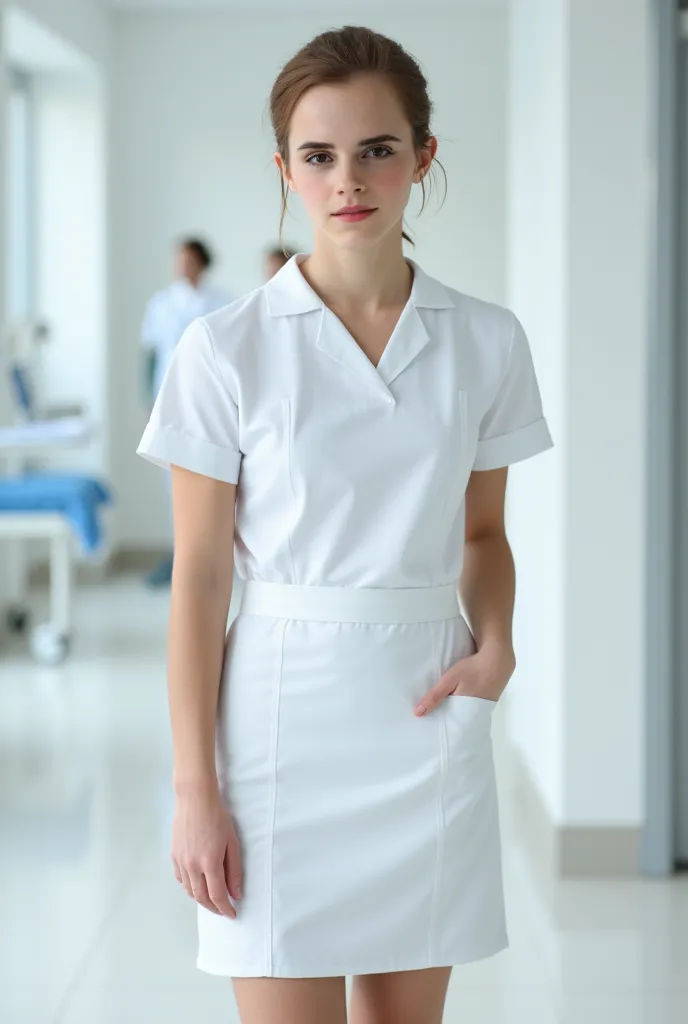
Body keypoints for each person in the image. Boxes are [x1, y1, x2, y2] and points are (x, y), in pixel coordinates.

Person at [137, 25, 553, 1024]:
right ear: (283, 169)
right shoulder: (223, 350)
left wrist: (495, 646)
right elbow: (199, 576)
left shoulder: (486, 341)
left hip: (427, 712)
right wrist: (196, 789)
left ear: (422, 157)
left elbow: (484, 536)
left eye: (377, 149)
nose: (347, 180)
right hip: (279, 725)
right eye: (318, 156)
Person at [140, 237, 229, 587]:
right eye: (178, 260)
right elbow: (148, 355)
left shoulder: (220, 301)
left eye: (188, 260)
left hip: (207, 399)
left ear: (202, 263)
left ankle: (204, 559)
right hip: (166, 398)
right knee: (172, 478)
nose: (181, 266)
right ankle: (180, 558)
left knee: (208, 477)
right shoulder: (160, 303)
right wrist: (146, 401)